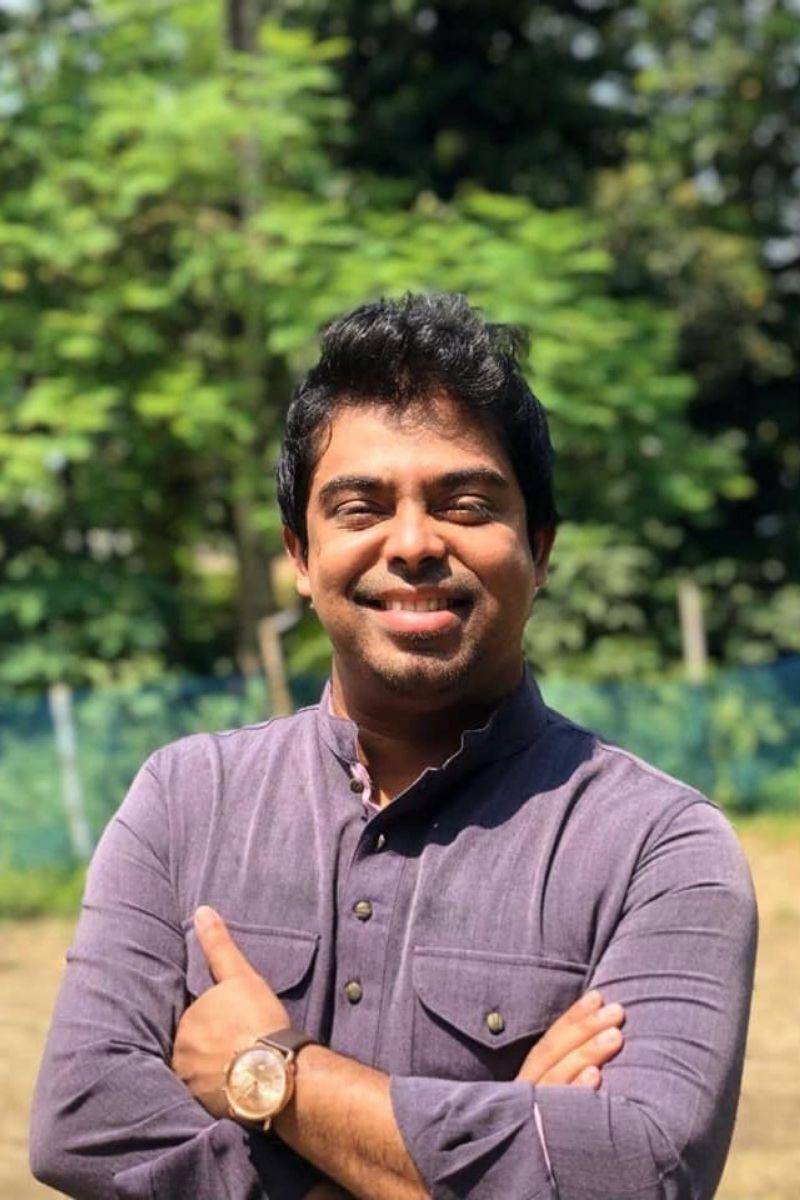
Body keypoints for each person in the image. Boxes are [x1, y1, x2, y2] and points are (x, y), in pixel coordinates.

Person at [30, 293, 757, 1200]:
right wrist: (479, 1153)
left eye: (465, 504)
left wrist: (276, 1078)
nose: (412, 543)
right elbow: (81, 1121)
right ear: (301, 556)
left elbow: (642, 1169)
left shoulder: (659, 848)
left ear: (540, 549)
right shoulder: (186, 799)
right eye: (360, 507)